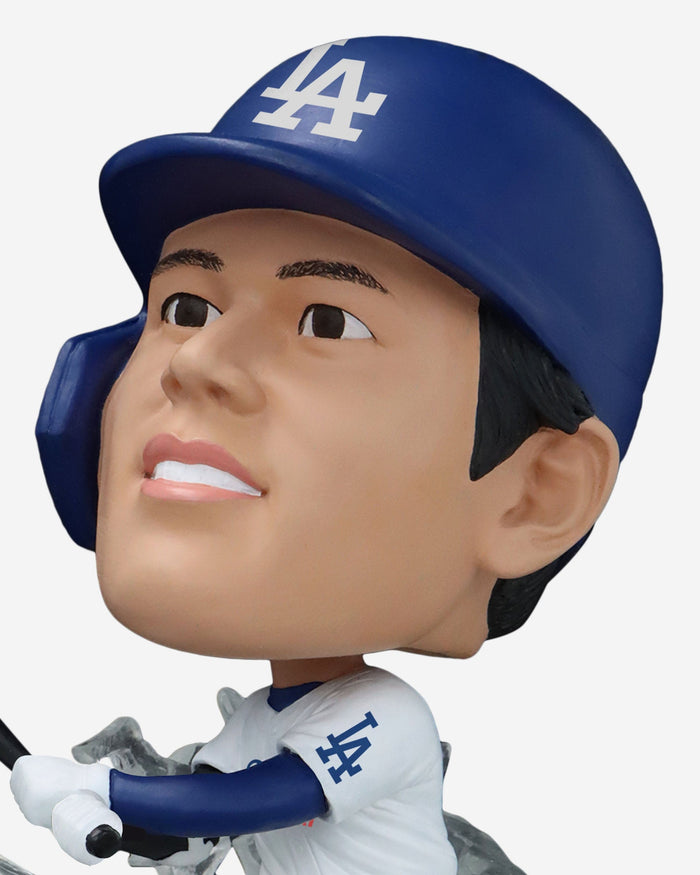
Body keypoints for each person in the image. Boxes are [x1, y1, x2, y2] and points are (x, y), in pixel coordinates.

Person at [10, 37, 661, 874]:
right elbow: (191, 831)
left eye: (328, 322)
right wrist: (105, 812)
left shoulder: (389, 720)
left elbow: (247, 802)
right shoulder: (256, 723)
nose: (195, 360)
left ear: (536, 493)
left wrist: (99, 788)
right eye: (185, 306)